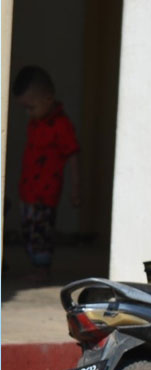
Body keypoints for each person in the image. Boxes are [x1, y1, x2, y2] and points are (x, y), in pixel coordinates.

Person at [8, 66, 79, 283]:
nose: (28, 113)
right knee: (29, 231)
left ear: (48, 99)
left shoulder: (61, 125)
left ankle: (42, 269)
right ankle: (35, 266)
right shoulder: (35, 123)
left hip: (46, 193)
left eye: (31, 107)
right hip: (28, 190)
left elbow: (73, 155)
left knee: (41, 233)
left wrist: (76, 187)